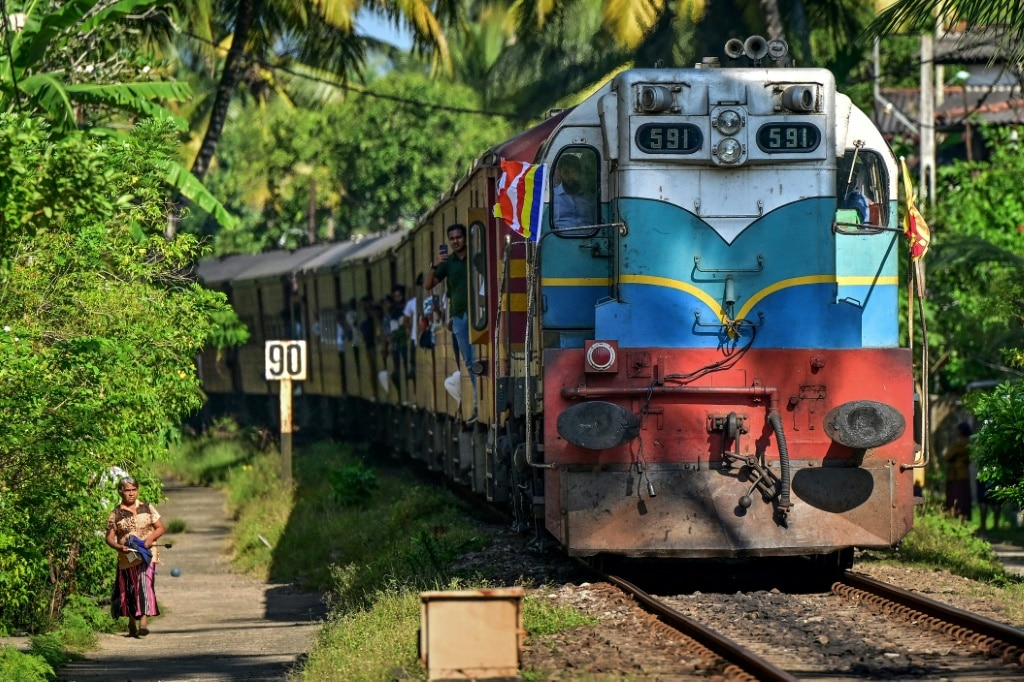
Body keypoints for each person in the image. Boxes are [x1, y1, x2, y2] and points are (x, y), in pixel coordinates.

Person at [424, 223, 477, 423]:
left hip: (479, 313)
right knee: (470, 362)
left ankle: (482, 403)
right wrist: (435, 265)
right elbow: (428, 285)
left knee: (479, 361)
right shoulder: (448, 263)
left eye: (458, 237)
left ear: (465, 237)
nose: (455, 241)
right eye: (452, 238)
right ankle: (478, 405)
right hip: (460, 315)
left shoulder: (476, 256)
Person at [106, 475, 165, 637]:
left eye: (134, 490)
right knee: (131, 590)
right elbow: (109, 537)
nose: (131, 493)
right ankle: (131, 622)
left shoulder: (147, 508)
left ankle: (143, 622)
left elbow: (160, 527)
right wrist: (119, 547)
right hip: (128, 558)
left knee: (145, 585)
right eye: (127, 490)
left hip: (148, 555)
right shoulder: (115, 514)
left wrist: (150, 539)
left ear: (137, 490)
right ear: (120, 492)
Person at [553, 155, 597, 230]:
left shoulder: (590, 197)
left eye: (574, 172)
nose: (571, 176)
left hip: (589, 238)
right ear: (560, 173)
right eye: (566, 173)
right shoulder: (553, 196)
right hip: (560, 239)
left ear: (580, 173)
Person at [943, 422, 973, 520]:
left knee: (957, 497)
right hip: (962, 474)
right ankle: (962, 516)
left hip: (957, 475)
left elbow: (948, 455)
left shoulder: (961, 443)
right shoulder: (968, 443)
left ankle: (956, 516)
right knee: (963, 497)